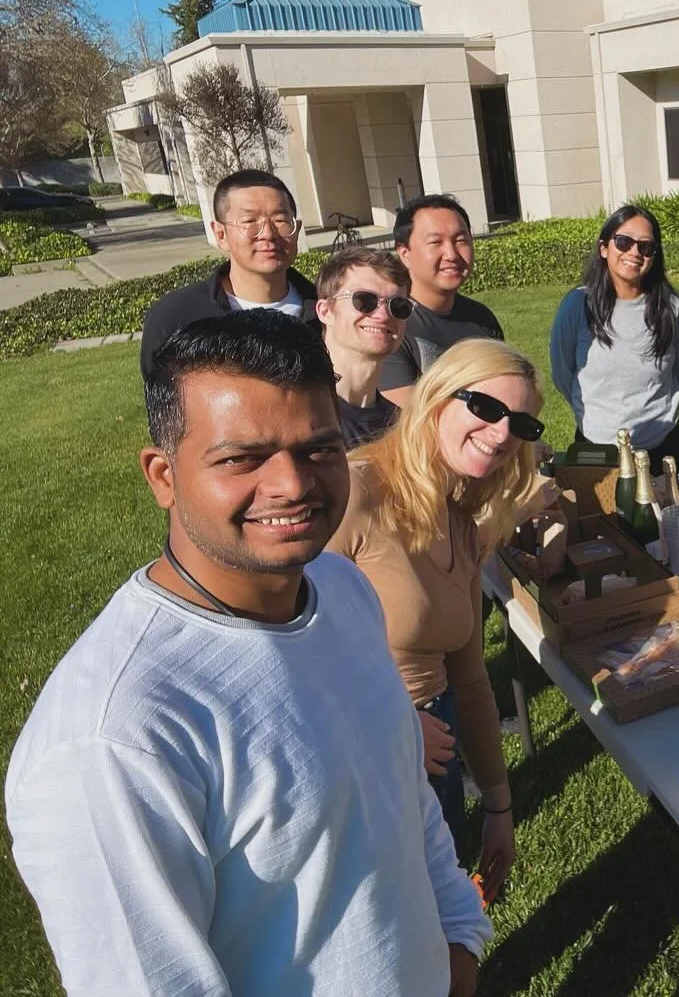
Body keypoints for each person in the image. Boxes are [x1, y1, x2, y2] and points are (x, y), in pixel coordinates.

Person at [6, 312, 489, 996]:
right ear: (163, 476)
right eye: (241, 458)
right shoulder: (112, 740)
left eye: (319, 449)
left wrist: (457, 935)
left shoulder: (342, 588)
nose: (292, 484)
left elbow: (400, 791)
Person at [330, 337, 544, 901]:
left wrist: (498, 805)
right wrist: (388, 725)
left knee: (440, 933)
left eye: (520, 423)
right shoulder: (355, 492)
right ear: (435, 398)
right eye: (486, 408)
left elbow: (471, 681)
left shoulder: (465, 523)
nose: (501, 433)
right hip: (360, 764)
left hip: (437, 749)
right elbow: (275, 649)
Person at [550, 204, 679, 466]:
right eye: (623, 242)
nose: (634, 252)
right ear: (604, 248)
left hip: (662, 445)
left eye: (646, 247)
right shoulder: (577, 305)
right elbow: (563, 373)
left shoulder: (673, 309)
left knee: (666, 508)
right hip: (596, 446)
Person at [140, 169, 315, 381]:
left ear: (296, 228)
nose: (268, 234)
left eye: (280, 220)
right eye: (250, 222)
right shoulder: (176, 318)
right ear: (220, 234)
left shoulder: (326, 313)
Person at [380, 194, 503, 407]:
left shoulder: (482, 318)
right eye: (436, 242)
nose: (452, 254)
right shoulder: (389, 326)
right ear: (404, 253)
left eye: (461, 240)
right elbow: (413, 418)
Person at [315, 246, 412, 448]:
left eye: (398, 305)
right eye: (364, 300)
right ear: (325, 311)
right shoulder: (297, 413)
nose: (383, 315)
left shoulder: (403, 429)